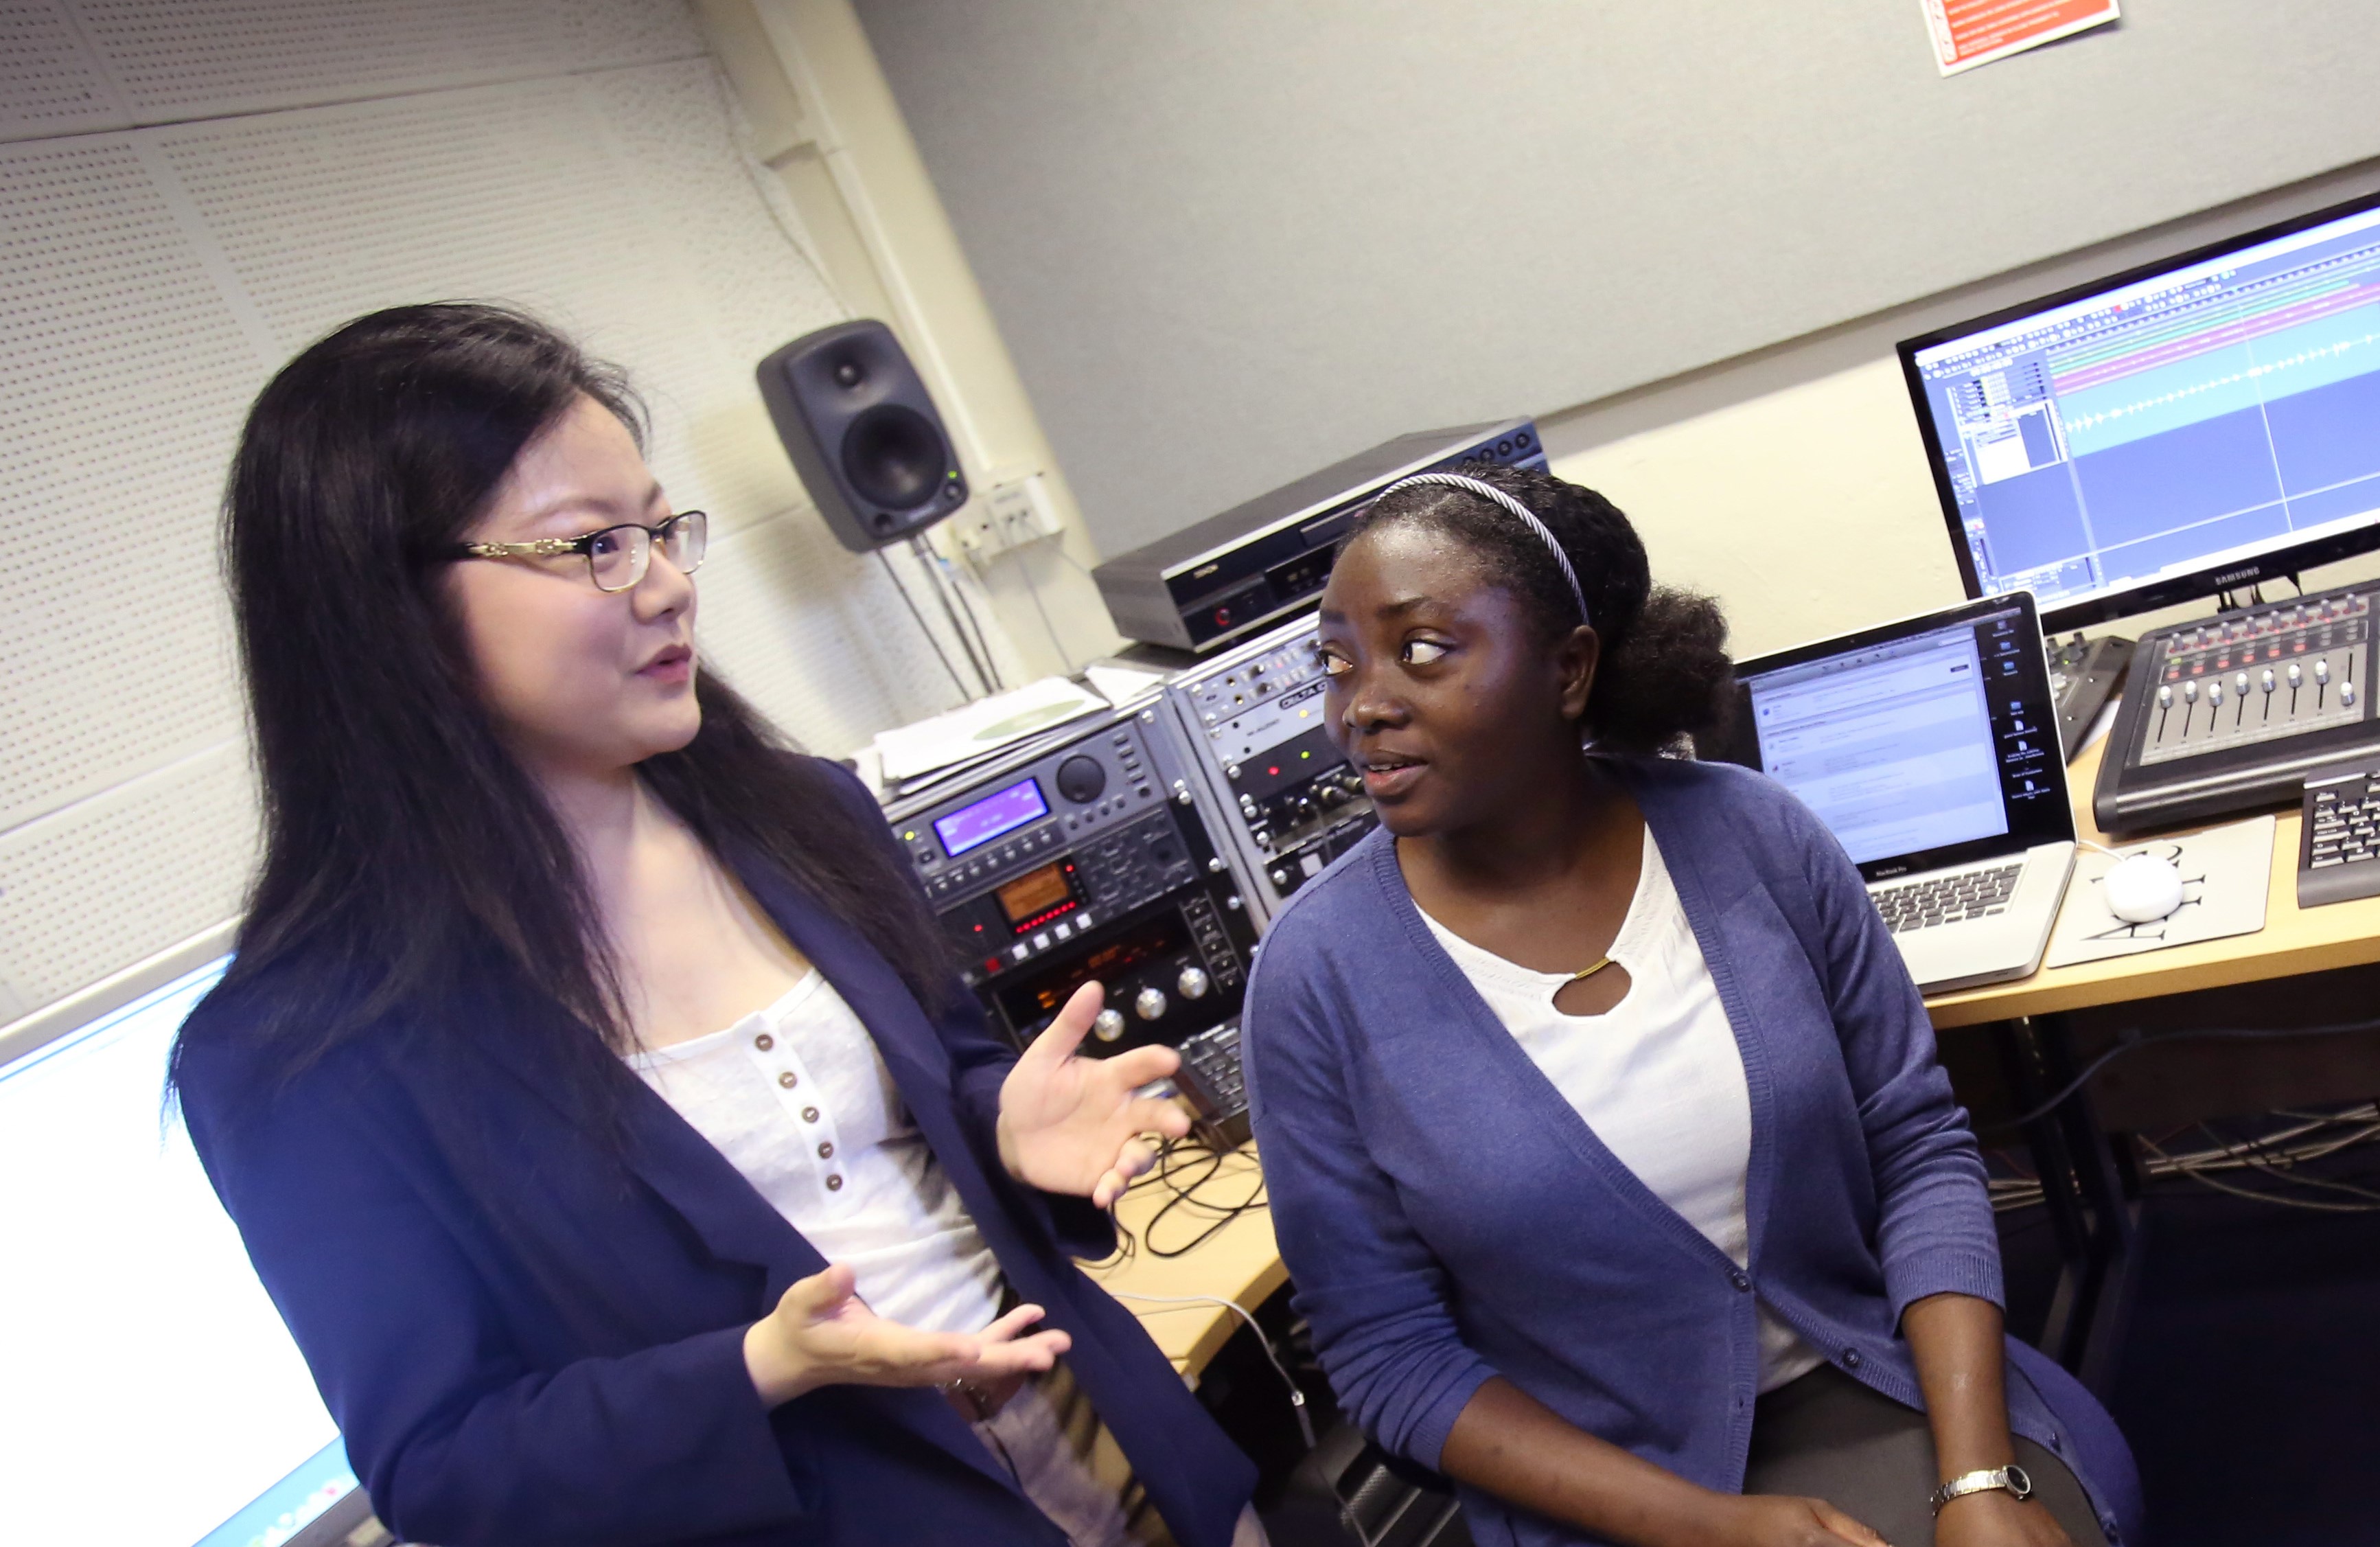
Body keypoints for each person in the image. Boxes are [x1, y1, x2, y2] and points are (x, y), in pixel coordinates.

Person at [171, 303, 1258, 1547]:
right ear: (388, 610)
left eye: (658, 529)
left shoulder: (803, 813)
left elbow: (942, 1074)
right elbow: (443, 1465)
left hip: (1116, 1448)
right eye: (590, 547)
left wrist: (1003, 1128)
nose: (669, 584)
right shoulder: (299, 1055)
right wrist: (755, 1367)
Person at [1240, 464, 2143, 1547]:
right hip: (1602, 1488)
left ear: (1569, 666)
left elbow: (1919, 1151)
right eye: (1336, 663)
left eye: (1422, 648)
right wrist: (1716, 1526)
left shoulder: (1756, 835)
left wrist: (1979, 1476)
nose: (1363, 706)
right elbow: (1391, 1354)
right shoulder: (1314, 981)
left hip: (1891, 1390)